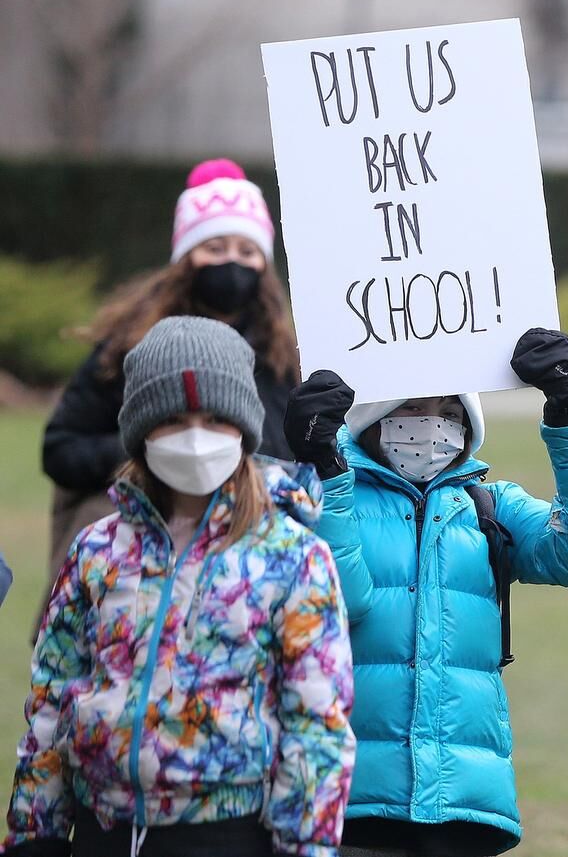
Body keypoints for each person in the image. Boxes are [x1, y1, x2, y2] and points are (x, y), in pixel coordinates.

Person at [4, 316, 355, 857]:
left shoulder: (292, 555)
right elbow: (52, 697)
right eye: (175, 419)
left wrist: (305, 846)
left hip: (230, 835)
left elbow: (316, 723)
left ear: (244, 427)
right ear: (142, 429)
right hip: (105, 832)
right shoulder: (97, 550)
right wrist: (36, 832)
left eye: (216, 418)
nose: (196, 438)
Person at [283, 327, 568, 857]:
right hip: (349, 801)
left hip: (463, 804)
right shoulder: (329, 498)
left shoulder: (487, 508)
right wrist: (325, 474)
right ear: (372, 420)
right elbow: (338, 599)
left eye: (449, 410)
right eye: (412, 408)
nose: (431, 425)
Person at [37, 158, 300, 635]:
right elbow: (60, 449)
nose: (232, 263)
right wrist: (151, 450)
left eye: (247, 249)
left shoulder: (285, 361)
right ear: (186, 256)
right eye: (215, 247)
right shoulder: (126, 348)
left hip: (248, 578)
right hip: (137, 578)